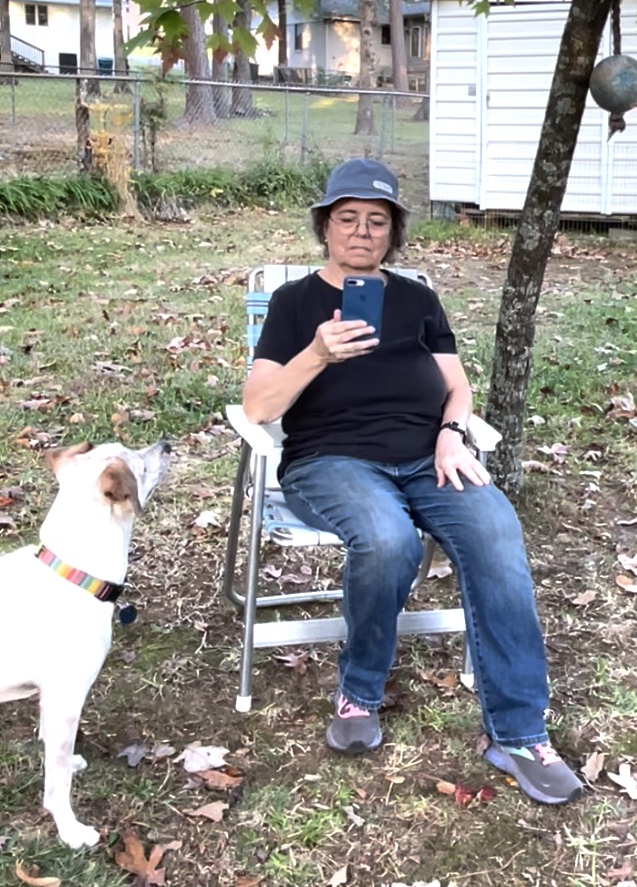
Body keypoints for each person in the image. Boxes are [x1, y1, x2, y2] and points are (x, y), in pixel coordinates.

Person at [242, 158, 583, 806]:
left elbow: (456, 386)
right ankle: (358, 691)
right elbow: (258, 406)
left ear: (393, 234)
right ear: (326, 228)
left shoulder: (419, 299)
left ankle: (518, 734)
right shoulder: (294, 304)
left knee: (497, 533)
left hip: (432, 456)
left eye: (378, 221)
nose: (363, 232)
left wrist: (453, 432)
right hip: (331, 461)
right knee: (388, 538)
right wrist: (317, 353)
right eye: (348, 219)